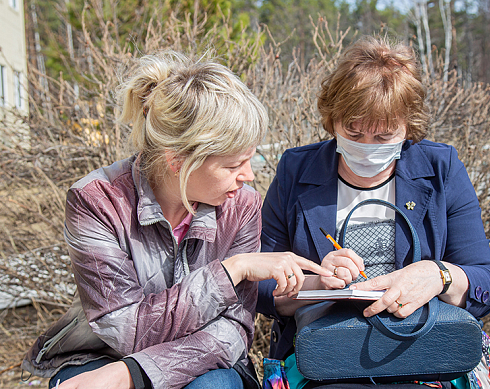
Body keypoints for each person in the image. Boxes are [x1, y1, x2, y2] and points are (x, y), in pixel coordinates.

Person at [21, 52, 331, 389]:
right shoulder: (96, 201)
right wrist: (230, 272)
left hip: (206, 362)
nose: (249, 176)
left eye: (249, 159)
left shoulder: (241, 206)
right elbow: (125, 330)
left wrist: (132, 374)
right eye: (232, 166)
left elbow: (233, 330)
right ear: (178, 161)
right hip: (101, 355)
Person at [257, 36, 490, 388]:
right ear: (332, 120)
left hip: (426, 355)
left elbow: (489, 283)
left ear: (409, 128)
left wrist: (438, 275)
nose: (365, 148)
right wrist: (317, 283)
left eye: (384, 137)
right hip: (327, 360)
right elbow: (260, 287)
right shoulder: (296, 171)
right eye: (353, 132)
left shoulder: (440, 168)